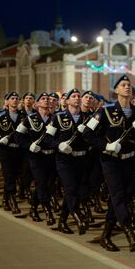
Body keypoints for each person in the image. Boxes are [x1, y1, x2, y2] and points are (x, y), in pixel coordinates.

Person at [82, 75, 135, 252]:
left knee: (122, 197)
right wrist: (106, 145)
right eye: (123, 85)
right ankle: (129, 232)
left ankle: (106, 235)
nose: (127, 87)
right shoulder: (104, 111)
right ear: (116, 90)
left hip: (129, 161)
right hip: (110, 161)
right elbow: (87, 134)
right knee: (118, 195)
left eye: (129, 85)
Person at [43, 88, 92, 235]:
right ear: (68, 100)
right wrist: (59, 145)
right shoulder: (58, 117)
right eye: (74, 96)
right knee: (71, 189)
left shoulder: (88, 118)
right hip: (65, 160)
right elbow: (47, 138)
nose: (77, 98)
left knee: (76, 191)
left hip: (82, 159)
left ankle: (62, 221)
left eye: (79, 96)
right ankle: (78, 218)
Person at [15, 92, 56, 226]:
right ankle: (47, 209)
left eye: (48, 99)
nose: (47, 101)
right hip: (36, 157)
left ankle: (33, 208)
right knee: (42, 183)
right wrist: (29, 145)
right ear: (36, 104)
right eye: (43, 99)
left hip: (51, 156)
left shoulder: (55, 119)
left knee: (48, 185)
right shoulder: (30, 119)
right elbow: (18, 136)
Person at [0, 91, 24, 214]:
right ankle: (12, 201)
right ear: (8, 101)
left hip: (19, 150)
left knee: (14, 176)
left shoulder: (23, 116)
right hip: (5, 150)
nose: (15, 100)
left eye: (17, 98)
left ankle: (5, 199)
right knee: (9, 175)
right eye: (12, 98)